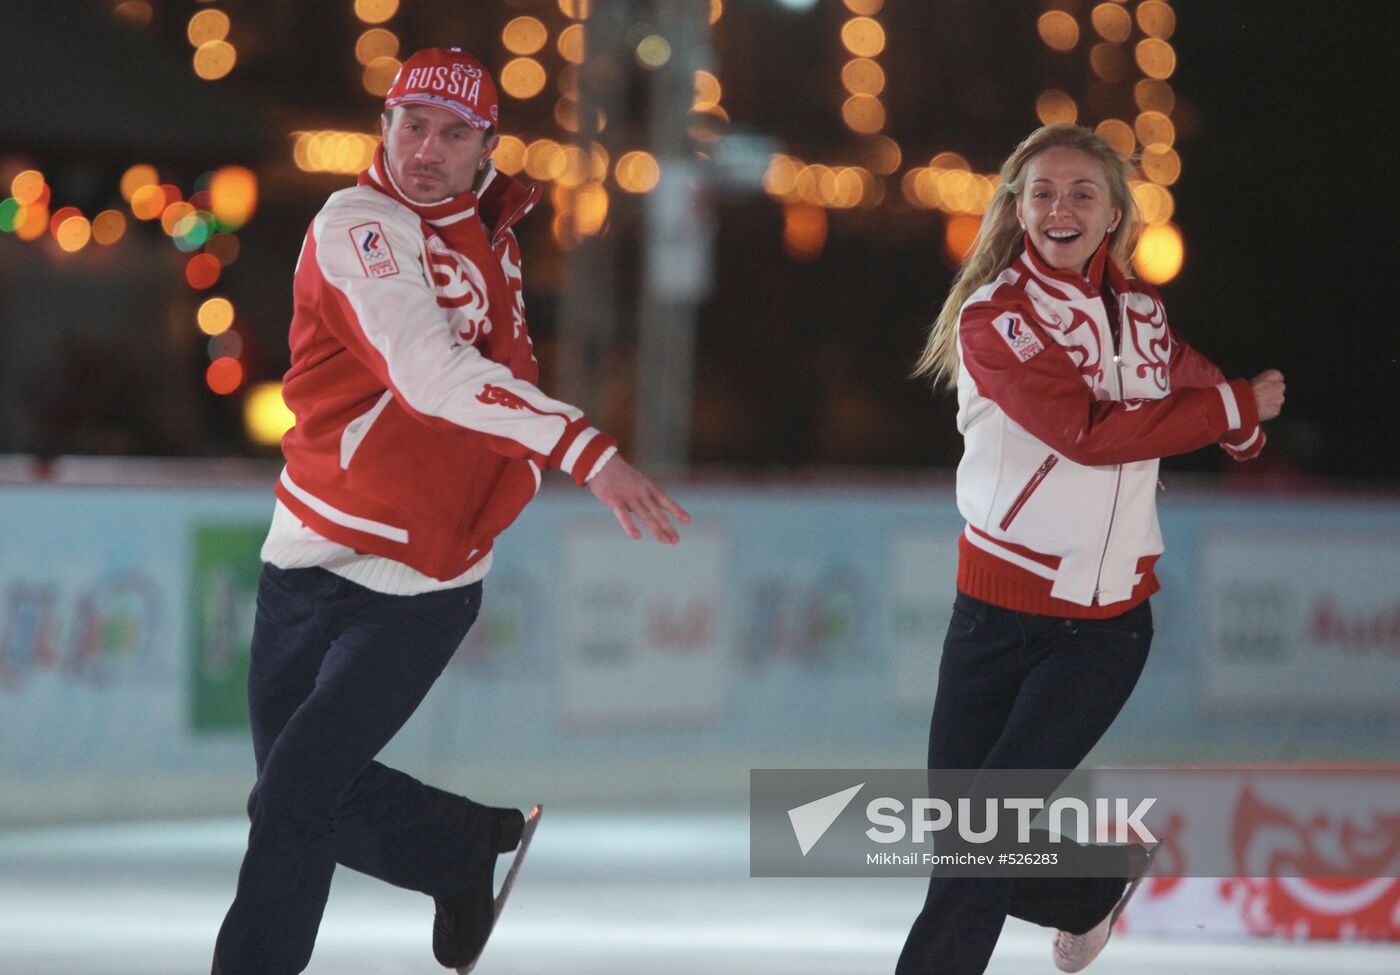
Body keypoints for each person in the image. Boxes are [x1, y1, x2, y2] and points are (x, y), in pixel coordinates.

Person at [210, 47, 689, 975]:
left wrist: (503, 488)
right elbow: (429, 374)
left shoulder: (492, 240)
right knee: (295, 793)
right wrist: (587, 451)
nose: (427, 149)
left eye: (454, 133)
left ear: (486, 150)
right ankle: (460, 850)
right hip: (306, 553)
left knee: (295, 795)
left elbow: (506, 381)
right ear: (384, 128)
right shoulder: (357, 223)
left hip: (423, 581)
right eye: (413, 125)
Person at [896, 123, 1285, 974]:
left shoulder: (1144, 315)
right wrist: (1232, 411)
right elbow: (1087, 432)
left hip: (1104, 631)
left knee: (979, 834)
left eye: (1081, 192)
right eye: (1041, 192)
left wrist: (1240, 424)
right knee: (960, 837)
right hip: (991, 617)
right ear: (1017, 209)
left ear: (1114, 213)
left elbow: (1186, 374)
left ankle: (1078, 894)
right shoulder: (996, 316)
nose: (1059, 208)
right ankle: (1087, 888)